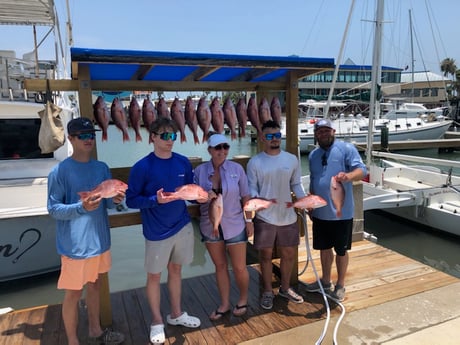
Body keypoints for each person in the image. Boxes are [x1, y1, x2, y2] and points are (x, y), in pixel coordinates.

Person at [47, 117, 125, 345]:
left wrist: (118, 200)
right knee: (72, 293)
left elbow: (109, 204)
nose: (88, 139)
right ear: (70, 139)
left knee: (95, 285)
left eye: (91, 134)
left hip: (100, 242)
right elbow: (53, 209)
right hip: (75, 246)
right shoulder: (59, 171)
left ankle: (95, 330)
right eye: (82, 135)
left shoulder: (102, 168)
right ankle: (73, 341)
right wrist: (81, 207)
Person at [126, 117, 204, 344]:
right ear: (152, 137)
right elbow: (131, 200)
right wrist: (154, 200)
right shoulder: (142, 167)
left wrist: (200, 197)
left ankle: (177, 314)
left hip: (182, 224)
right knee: (154, 276)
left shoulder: (182, 162)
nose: (170, 140)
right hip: (156, 231)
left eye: (173, 136)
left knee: (177, 270)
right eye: (165, 136)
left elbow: (190, 191)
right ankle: (156, 320)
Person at [246, 120, 306, 310]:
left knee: (289, 254)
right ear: (263, 138)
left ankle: (285, 288)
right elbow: (252, 187)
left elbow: (296, 184)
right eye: (270, 136)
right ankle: (266, 291)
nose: (274, 139)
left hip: (288, 215)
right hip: (265, 217)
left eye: (277, 135)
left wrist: (305, 202)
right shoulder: (255, 162)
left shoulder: (291, 159)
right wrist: (256, 203)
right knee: (265, 255)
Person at [305, 118, 367, 302]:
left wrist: (348, 176)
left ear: (333, 131)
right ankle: (325, 280)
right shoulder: (313, 155)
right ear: (316, 134)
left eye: (326, 130)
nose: (323, 134)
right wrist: (311, 202)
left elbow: (361, 170)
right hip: (320, 212)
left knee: (341, 250)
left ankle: (340, 284)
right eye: (319, 131)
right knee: (324, 248)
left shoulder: (346, 149)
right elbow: (314, 180)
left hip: (342, 213)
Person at [194, 133, 252, 320]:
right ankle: (224, 303)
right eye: (218, 148)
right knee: (220, 266)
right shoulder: (199, 171)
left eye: (225, 147)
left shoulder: (237, 169)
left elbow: (246, 196)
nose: (222, 151)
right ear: (210, 150)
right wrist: (203, 196)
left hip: (235, 223)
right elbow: (193, 197)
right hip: (209, 225)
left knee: (239, 267)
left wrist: (249, 221)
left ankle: (243, 299)